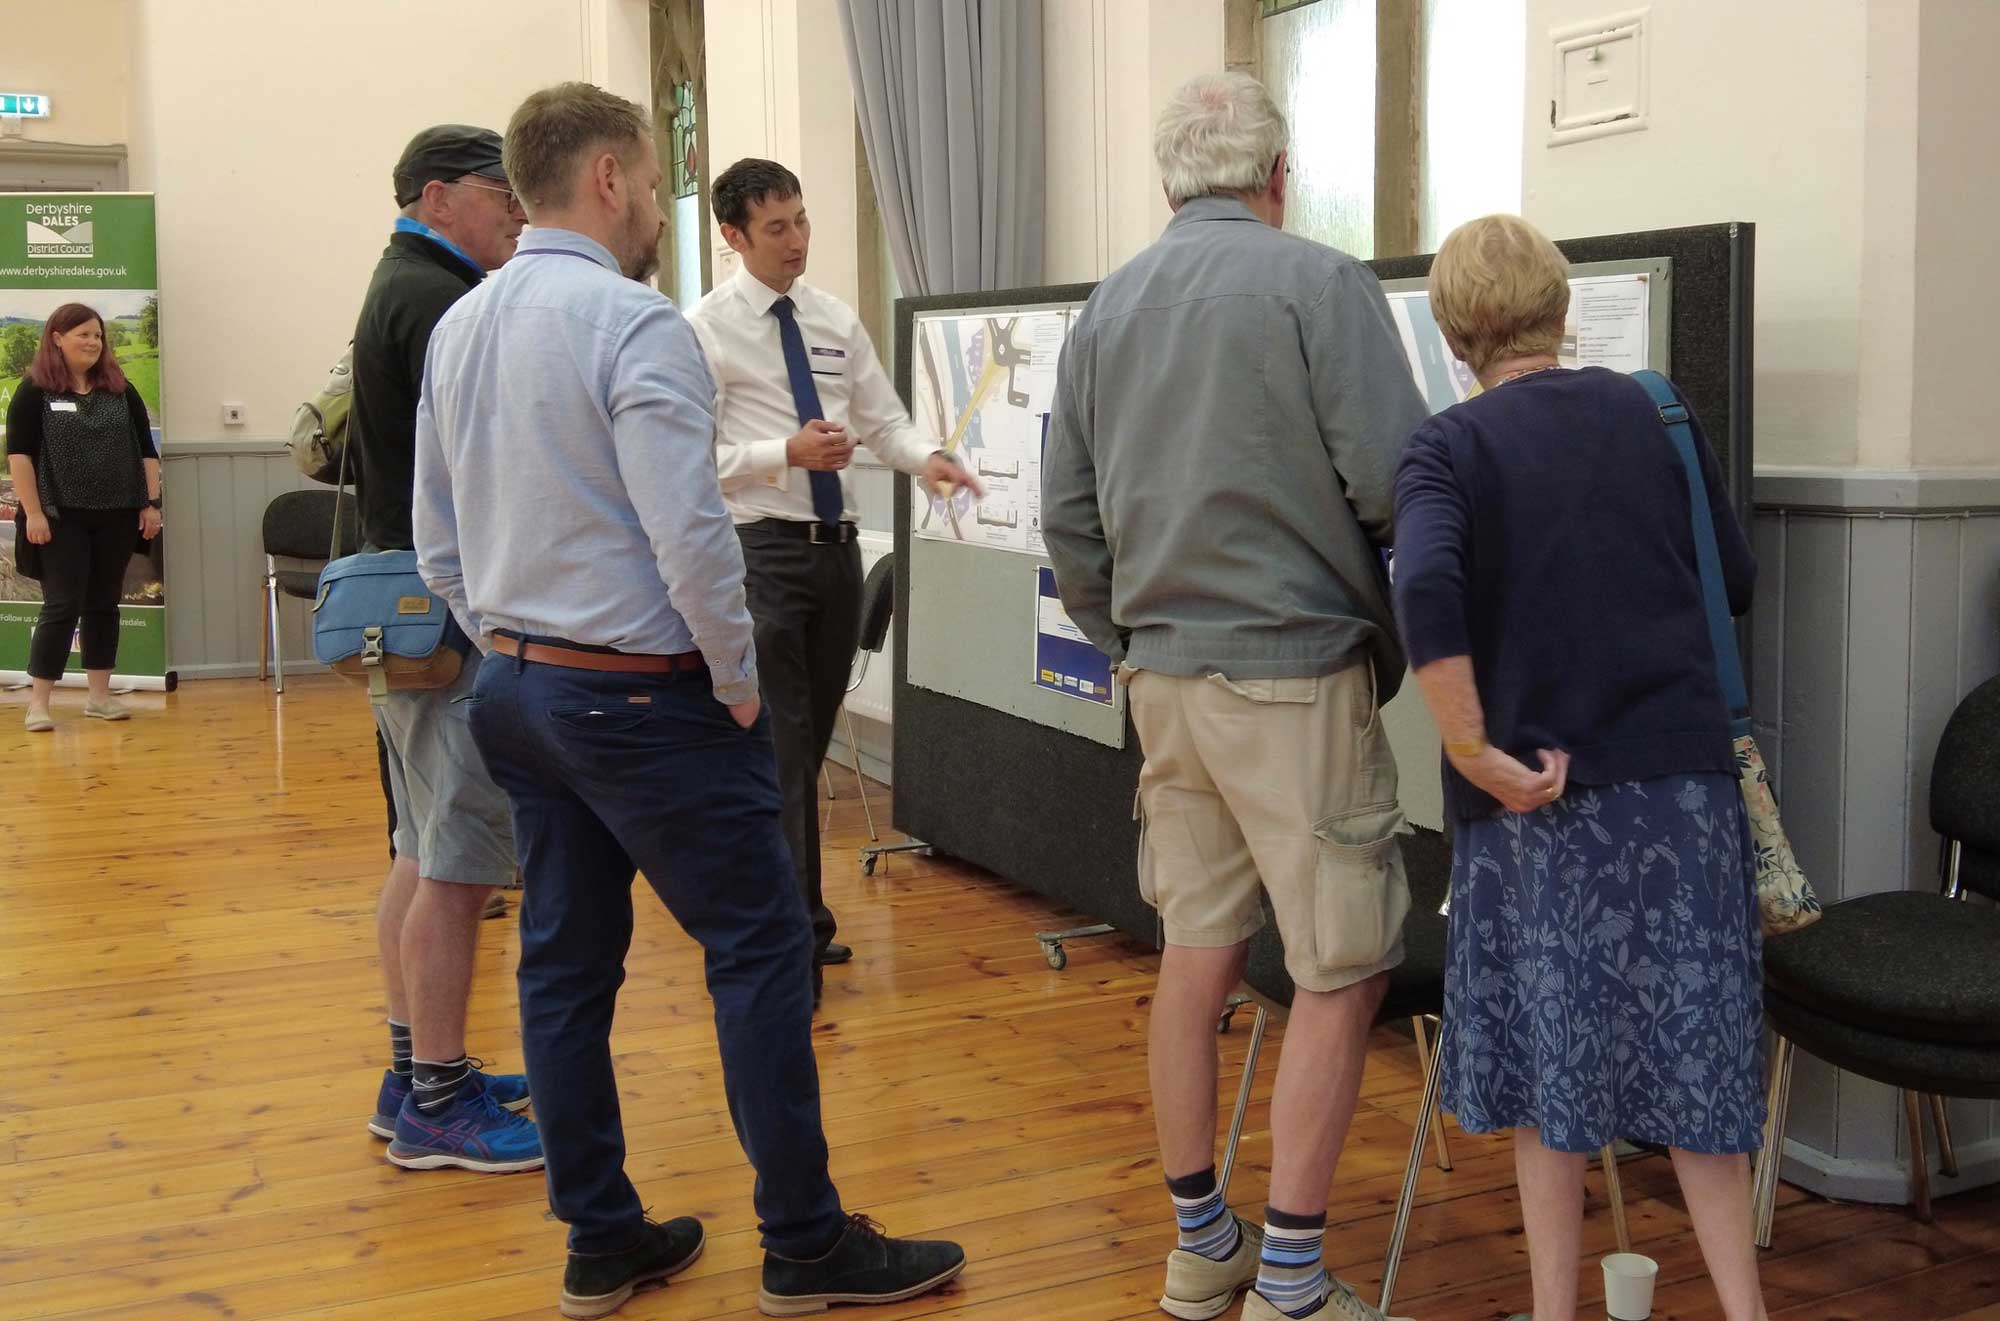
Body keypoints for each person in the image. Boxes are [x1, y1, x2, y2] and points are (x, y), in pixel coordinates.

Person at [412, 81, 966, 1319]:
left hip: (518, 688)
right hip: (639, 696)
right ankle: (805, 1245)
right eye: (655, 182)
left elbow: (435, 538)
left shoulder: (464, 324)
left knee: (564, 967)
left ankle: (600, 1238)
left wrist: (509, 645)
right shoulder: (637, 323)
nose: (662, 209)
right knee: (760, 949)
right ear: (608, 178)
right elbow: (692, 535)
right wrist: (734, 684)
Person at [1041, 72, 1430, 1321]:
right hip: (1295, 674)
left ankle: (1201, 1245)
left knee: (1195, 951)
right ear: (1276, 176)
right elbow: (1395, 482)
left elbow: (1066, 520)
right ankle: (1293, 1282)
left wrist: (1129, 636)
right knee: (1341, 967)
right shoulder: (1318, 284)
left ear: (1166, 182)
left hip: (1161, 675)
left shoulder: (1104, 310)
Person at [1392, 214, 1769, 1321]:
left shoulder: (1445, 448)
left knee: (1553, 1090)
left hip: (1538, 809)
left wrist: (1472, 748)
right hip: (1683, 793)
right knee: (1700, 1079)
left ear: (1453, 336)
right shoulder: (1655, 411)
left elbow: (1424, 590)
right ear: (1561, 311)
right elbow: (1733, 580)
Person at [686, 157, 980, 1006]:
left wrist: (930, 460)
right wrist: (783, 452)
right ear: (734, 236)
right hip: (762, 555)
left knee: (805, 752)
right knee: (780, 756)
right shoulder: (703, 329)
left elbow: (883, 422)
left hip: (834, 555)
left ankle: (800, 920)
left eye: (802, 220)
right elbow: (693, 458)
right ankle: (785, 954)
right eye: (776, 228)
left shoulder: (832, 318)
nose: (797, 241)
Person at [349, 123, 541, 1174]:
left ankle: (414, 1072)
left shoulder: (408, 283)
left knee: (423, 850)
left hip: (407, 608)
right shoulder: (437, 299)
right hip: (445, 616)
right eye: (497, 191)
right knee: (459, 867)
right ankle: (437, 1098)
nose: (515, 209)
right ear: (437, 197)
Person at [5, 304, 161, 732]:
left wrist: (150, 504)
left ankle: (99, 698)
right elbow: (19, 457)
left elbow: (146, 451)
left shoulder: (121, 390)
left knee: (104, 604)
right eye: (83, 334)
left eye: (98, 335)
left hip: (118, 515)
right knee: (62, 605)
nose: (93, 342)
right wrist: (33, 513)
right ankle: (39, 704)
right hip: (59, 517)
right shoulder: (34, 391)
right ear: (57, 338)